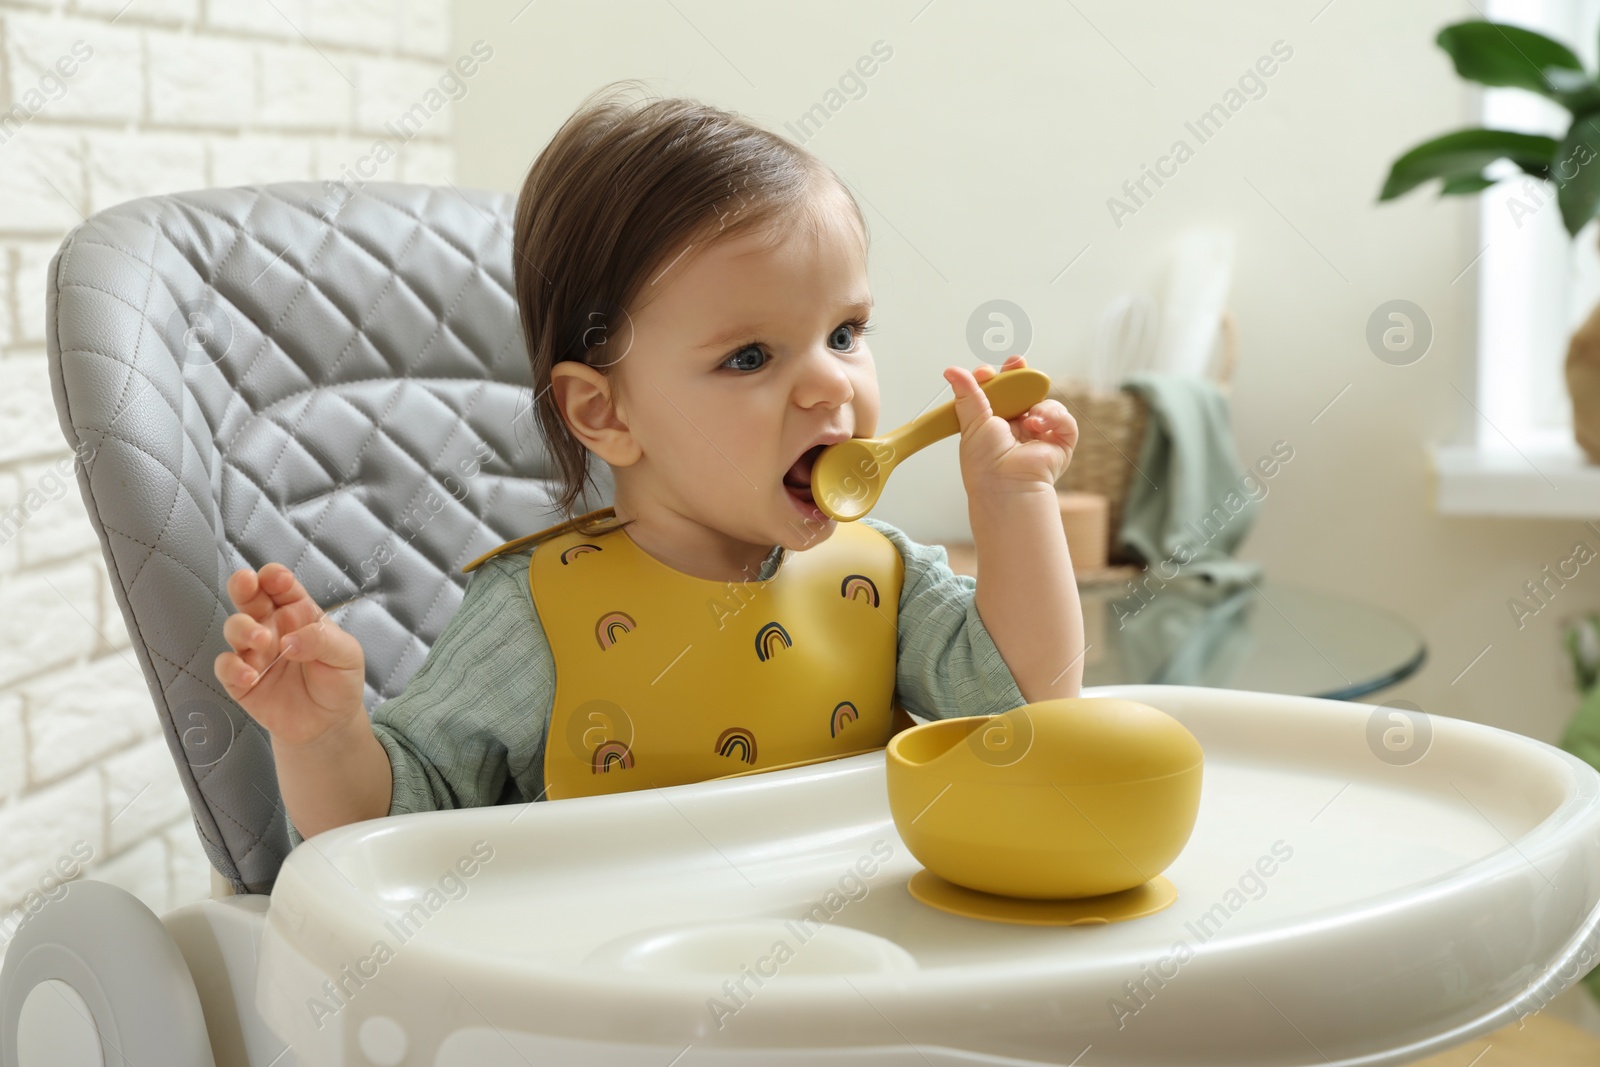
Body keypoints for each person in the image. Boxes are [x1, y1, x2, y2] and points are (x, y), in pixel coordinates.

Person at [212, 81, 1083, 845]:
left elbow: (1027, 702)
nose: (831, 385)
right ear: (605, 411)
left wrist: (1016, 503)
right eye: (750, 356)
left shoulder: (880, 578)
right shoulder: (540, 616)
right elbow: (398, 831)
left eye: (845, 333)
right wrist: (325, 740)